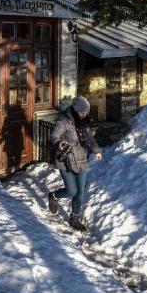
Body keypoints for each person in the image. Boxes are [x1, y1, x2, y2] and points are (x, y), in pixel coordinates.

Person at [46, 95, 102, 231]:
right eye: (82, 112)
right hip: (65, 160)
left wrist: (96, 151)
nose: (84, 115)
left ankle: (74, 219)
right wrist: (59, 143)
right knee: (71, 191)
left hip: (81, 159)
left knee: (80, 192)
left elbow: (89, 138)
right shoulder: (64, 120)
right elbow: (53, 135)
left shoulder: (84, 122)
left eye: (86, 113)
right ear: (75, 110)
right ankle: (53, 196)